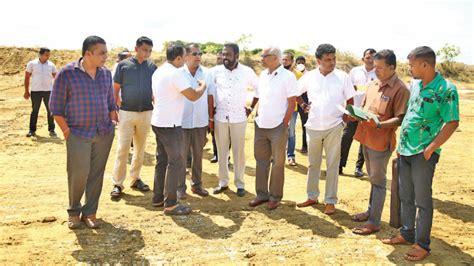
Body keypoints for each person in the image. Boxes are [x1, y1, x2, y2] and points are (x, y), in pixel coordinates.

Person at [382, 46, 459, 262]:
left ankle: (423, 245)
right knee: (406, 195)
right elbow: (410, 115)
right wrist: (402, 141)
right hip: (406, 149)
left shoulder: (446, 89)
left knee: (422, 200)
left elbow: (452, 122)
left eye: (412, 64)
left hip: (423, 153)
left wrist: (432, 147)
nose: (409, 68)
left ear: (424, 64)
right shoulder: (415, 85)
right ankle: (407, 233)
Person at [49, 36, 117, 229]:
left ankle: (90, 212)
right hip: (78, 133)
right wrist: (66, 131)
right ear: (88, 54)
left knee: (96, 174)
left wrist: (112, 121)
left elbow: (111, 103)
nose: (106, 56)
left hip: (103, 132)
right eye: (102, 53)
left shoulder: (105, 74)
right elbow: (56, 107)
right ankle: (73, 211)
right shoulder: (67, 74)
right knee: (78, 174)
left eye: (106, 52)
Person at [350, 49, 410, 235]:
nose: (376, 70)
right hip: (365, 138)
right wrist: (355, 115)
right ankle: (370, 212)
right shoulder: (373, 84)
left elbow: (400, 118)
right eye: (374, 67)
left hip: (380, 142)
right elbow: (365, 107)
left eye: (380, 68)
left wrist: (379, 125)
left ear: (392, 67)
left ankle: (374, 222)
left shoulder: (400, 89)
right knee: (373, 179)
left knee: (378, 182)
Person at [296, 44, 355, 215]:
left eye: (334, 58)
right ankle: (312, 196)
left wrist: (343, 120)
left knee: (332, 165)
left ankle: (330, 200)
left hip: (334, 127)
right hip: (313, 126)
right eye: (328, 59)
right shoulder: (309, 77)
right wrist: (302, 104)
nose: (332, 62)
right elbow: (295, 93)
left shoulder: (343, 77)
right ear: (318, 61)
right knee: (313, 163)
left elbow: (350, 99)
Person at [151, 43, 207, 215]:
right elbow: (193, 96)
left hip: (159, 121)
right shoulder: (175, 74)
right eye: (185, 56)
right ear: (178, 58)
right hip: (171, 125)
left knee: (162, 161)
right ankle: (171, 204)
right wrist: (203, 86)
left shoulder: (159, 70)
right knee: (175, 162)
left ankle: (158, 198)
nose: (186, 59)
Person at [248, 46, 297, 210]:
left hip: (278, 126)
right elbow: (260, 96)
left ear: (275, 57)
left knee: (278, 162)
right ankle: (262, 194)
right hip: (261, 124)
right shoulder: (262, 75)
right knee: (261, 161)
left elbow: (292, 102)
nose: (261, 59)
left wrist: (284, 123)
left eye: (264, 56)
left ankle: (275, 196)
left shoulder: (288, 77)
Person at [110, 37, 157, 199]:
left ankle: (135, 178)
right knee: (122, 148)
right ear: (136, 49)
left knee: (140, 148)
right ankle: (117, 183)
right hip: (126, 113)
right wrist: (114, 109)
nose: (148, 53)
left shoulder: (152, 67)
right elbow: (115, 89)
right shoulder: (123, 66)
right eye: (145, 50)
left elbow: (155, 91)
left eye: (150, 50)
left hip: (146, 112)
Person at [211, 43, 258, 197]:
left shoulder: (247, 72)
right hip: (220, 117)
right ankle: (223, 182)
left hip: (239, 117)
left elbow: (259, 89)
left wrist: (251, 108)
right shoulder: (215, 72)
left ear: (237, 56)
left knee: (239, 153)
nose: (224, 57)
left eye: (228, 55)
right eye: (223, 54)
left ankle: (240, 184)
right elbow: (209, 92)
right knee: (222, 152)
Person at [177, 44, 214, 199]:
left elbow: (210, 96)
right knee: (180, 156)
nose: (198, 56)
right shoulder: (178, 73)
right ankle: (179, 187)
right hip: (182, 122)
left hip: (200, 121)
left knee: (198, 155)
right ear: (186, 56)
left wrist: (210, 118)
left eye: (200, 53)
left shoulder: (207, 73)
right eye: (194, 54)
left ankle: (197, 185)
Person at [340, 48, 377, 177]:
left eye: (373, 57)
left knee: (364, 141)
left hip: (368, 112)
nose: (370, 59)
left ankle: (358, 168)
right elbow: (347, 89)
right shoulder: (355, 71)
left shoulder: (379, 73)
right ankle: (340, 165)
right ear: (363, 58)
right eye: (368, 57)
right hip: (353, 110)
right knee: (346, 137)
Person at [24, 47, 57, 137]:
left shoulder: (51, 65)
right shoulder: (32, 64)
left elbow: (56, 78)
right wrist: (26, 91)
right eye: (46, 55)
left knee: (50, 111)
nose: (48, 57)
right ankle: (32, 130)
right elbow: (27, 77)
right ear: (40, 55)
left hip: (48, 91)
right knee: (35, 111)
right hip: (36, 91)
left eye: (49, 55)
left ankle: (52, 130)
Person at [282, 52, 303, 166]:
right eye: (283, 60)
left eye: (286, 60)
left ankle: (291, 156)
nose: (284, 62)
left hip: (292, 108)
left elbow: (300, 92)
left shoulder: (298, 75)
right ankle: (275, 155)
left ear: (292, 61)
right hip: (278, 108)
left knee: (291, 132)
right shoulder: (278, 72)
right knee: (277, 131)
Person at [209, 51, 223, 163]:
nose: (220, 60)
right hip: (212, 107)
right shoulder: (211, 72)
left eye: (221, 58)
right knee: (214, 133)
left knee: (226, 135)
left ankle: (226, 157)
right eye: (218, 58)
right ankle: (216, 154)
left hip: (224, 108)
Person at [295, 55, 309, 153]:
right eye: (298, 63)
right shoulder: (292, 74)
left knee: (305, 124)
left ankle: (305, 145)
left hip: (304, 100)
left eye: (302, 63)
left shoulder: (308, 74)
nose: (300, 64)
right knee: (290, 124)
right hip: (292, 99)